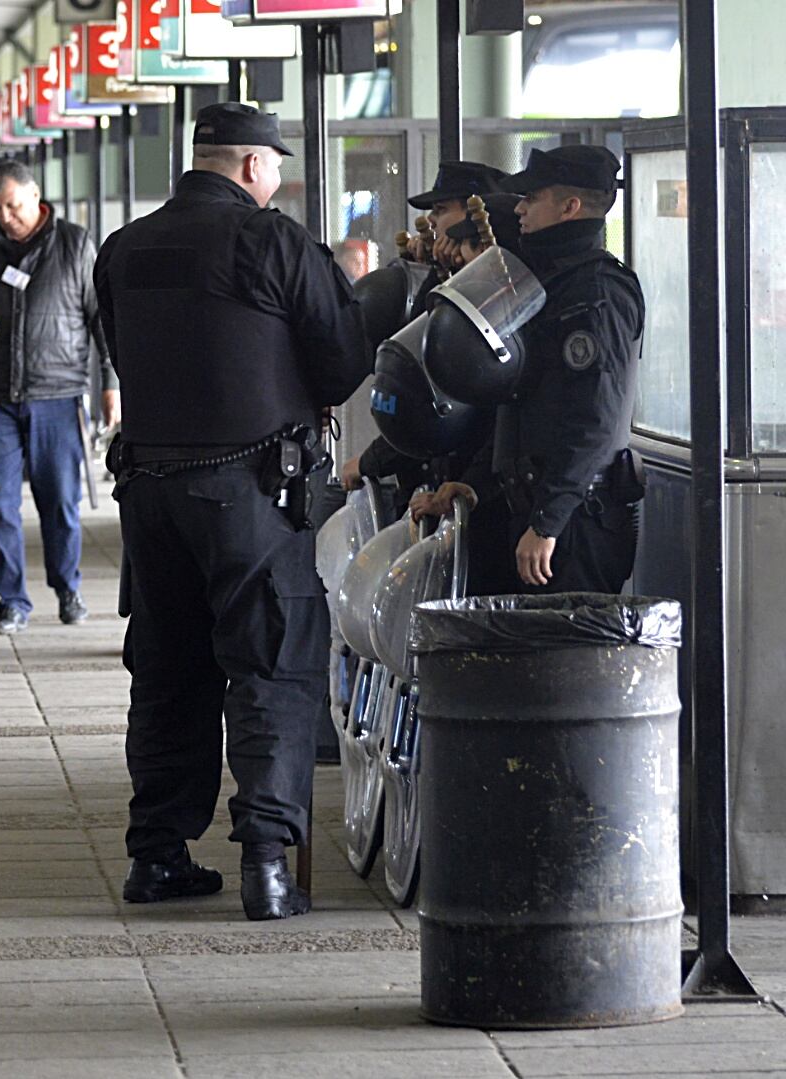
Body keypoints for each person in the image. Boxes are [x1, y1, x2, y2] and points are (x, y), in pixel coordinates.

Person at [93, 102, 370, 921]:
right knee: (271, 666)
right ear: (252, 167)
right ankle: (266, 864)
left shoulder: (124, 248)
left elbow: (123, 350)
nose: (275, 180)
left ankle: (157, 854)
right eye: (275, 167)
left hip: (149, 495)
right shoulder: (272, 239)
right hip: (251, 492)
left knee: (167, 670)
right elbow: (340, 363)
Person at [420, 146, 645, 594]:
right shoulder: (549, 282)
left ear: (570, 207)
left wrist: (548, 522)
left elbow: (595, 420)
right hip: (539, 508)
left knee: (564, 659)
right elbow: (518, 403)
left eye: (532, 198)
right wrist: (474, 484)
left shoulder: (597, 291)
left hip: (576, 518)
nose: (519, 208)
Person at [0, 161, 116, 635]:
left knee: (60, 501)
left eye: (12, 206)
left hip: (57, 393)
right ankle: (11, 601)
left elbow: (101, 320)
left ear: (35, 198)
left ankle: (68, 588)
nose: (4, 216)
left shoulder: (75, 244)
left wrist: (111, 385)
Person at [340, 161, 510, 501]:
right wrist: (435, 271)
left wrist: (372, 461)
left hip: (478, 487)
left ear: (476, 216)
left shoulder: (499, 297)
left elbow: (432, 393)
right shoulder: (451, 277)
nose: (431, 221)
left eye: (441, 209)